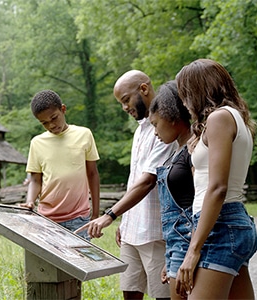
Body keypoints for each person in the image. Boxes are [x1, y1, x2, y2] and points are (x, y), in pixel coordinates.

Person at [79, 71, 175, 300]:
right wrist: (125, 220)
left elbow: (148, 180)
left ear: (143, 89)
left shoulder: (166, 128)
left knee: (163, 295)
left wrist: (110, 215)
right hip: (132, 230)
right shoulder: (139, 131)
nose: (124, 108)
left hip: (155, 231)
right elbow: (134, 179)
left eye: (126, 100)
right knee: (130, 292)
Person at [174, 58, 257, 299]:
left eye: (185, 94)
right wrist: (193, 154)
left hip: (220, 225)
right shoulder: (235, 117)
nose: (184, 102)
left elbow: (218, 188)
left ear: (197, 91)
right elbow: (205, 181)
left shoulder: (219, 118)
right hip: (229, 221)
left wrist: (193, 250)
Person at [20, 89, 101, 240]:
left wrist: (96, 214)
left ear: (63, 109)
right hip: (46, 219)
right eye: (44, 123)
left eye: (54, 118)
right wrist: (30, 201)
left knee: (81, 262)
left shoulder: (84, 134)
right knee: (47, 263)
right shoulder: (37, 143)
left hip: (79, 219)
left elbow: (92, 174)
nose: (51, 125)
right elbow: (35, 180)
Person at [148, 81, 194, 300]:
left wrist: (189, 254)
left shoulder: (194, 149)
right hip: (177, 244)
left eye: (156, 124)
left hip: (189, 242)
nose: (154, 132)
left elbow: (200, 205)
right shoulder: (174, 153)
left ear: (172, 116)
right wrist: (170, 257)